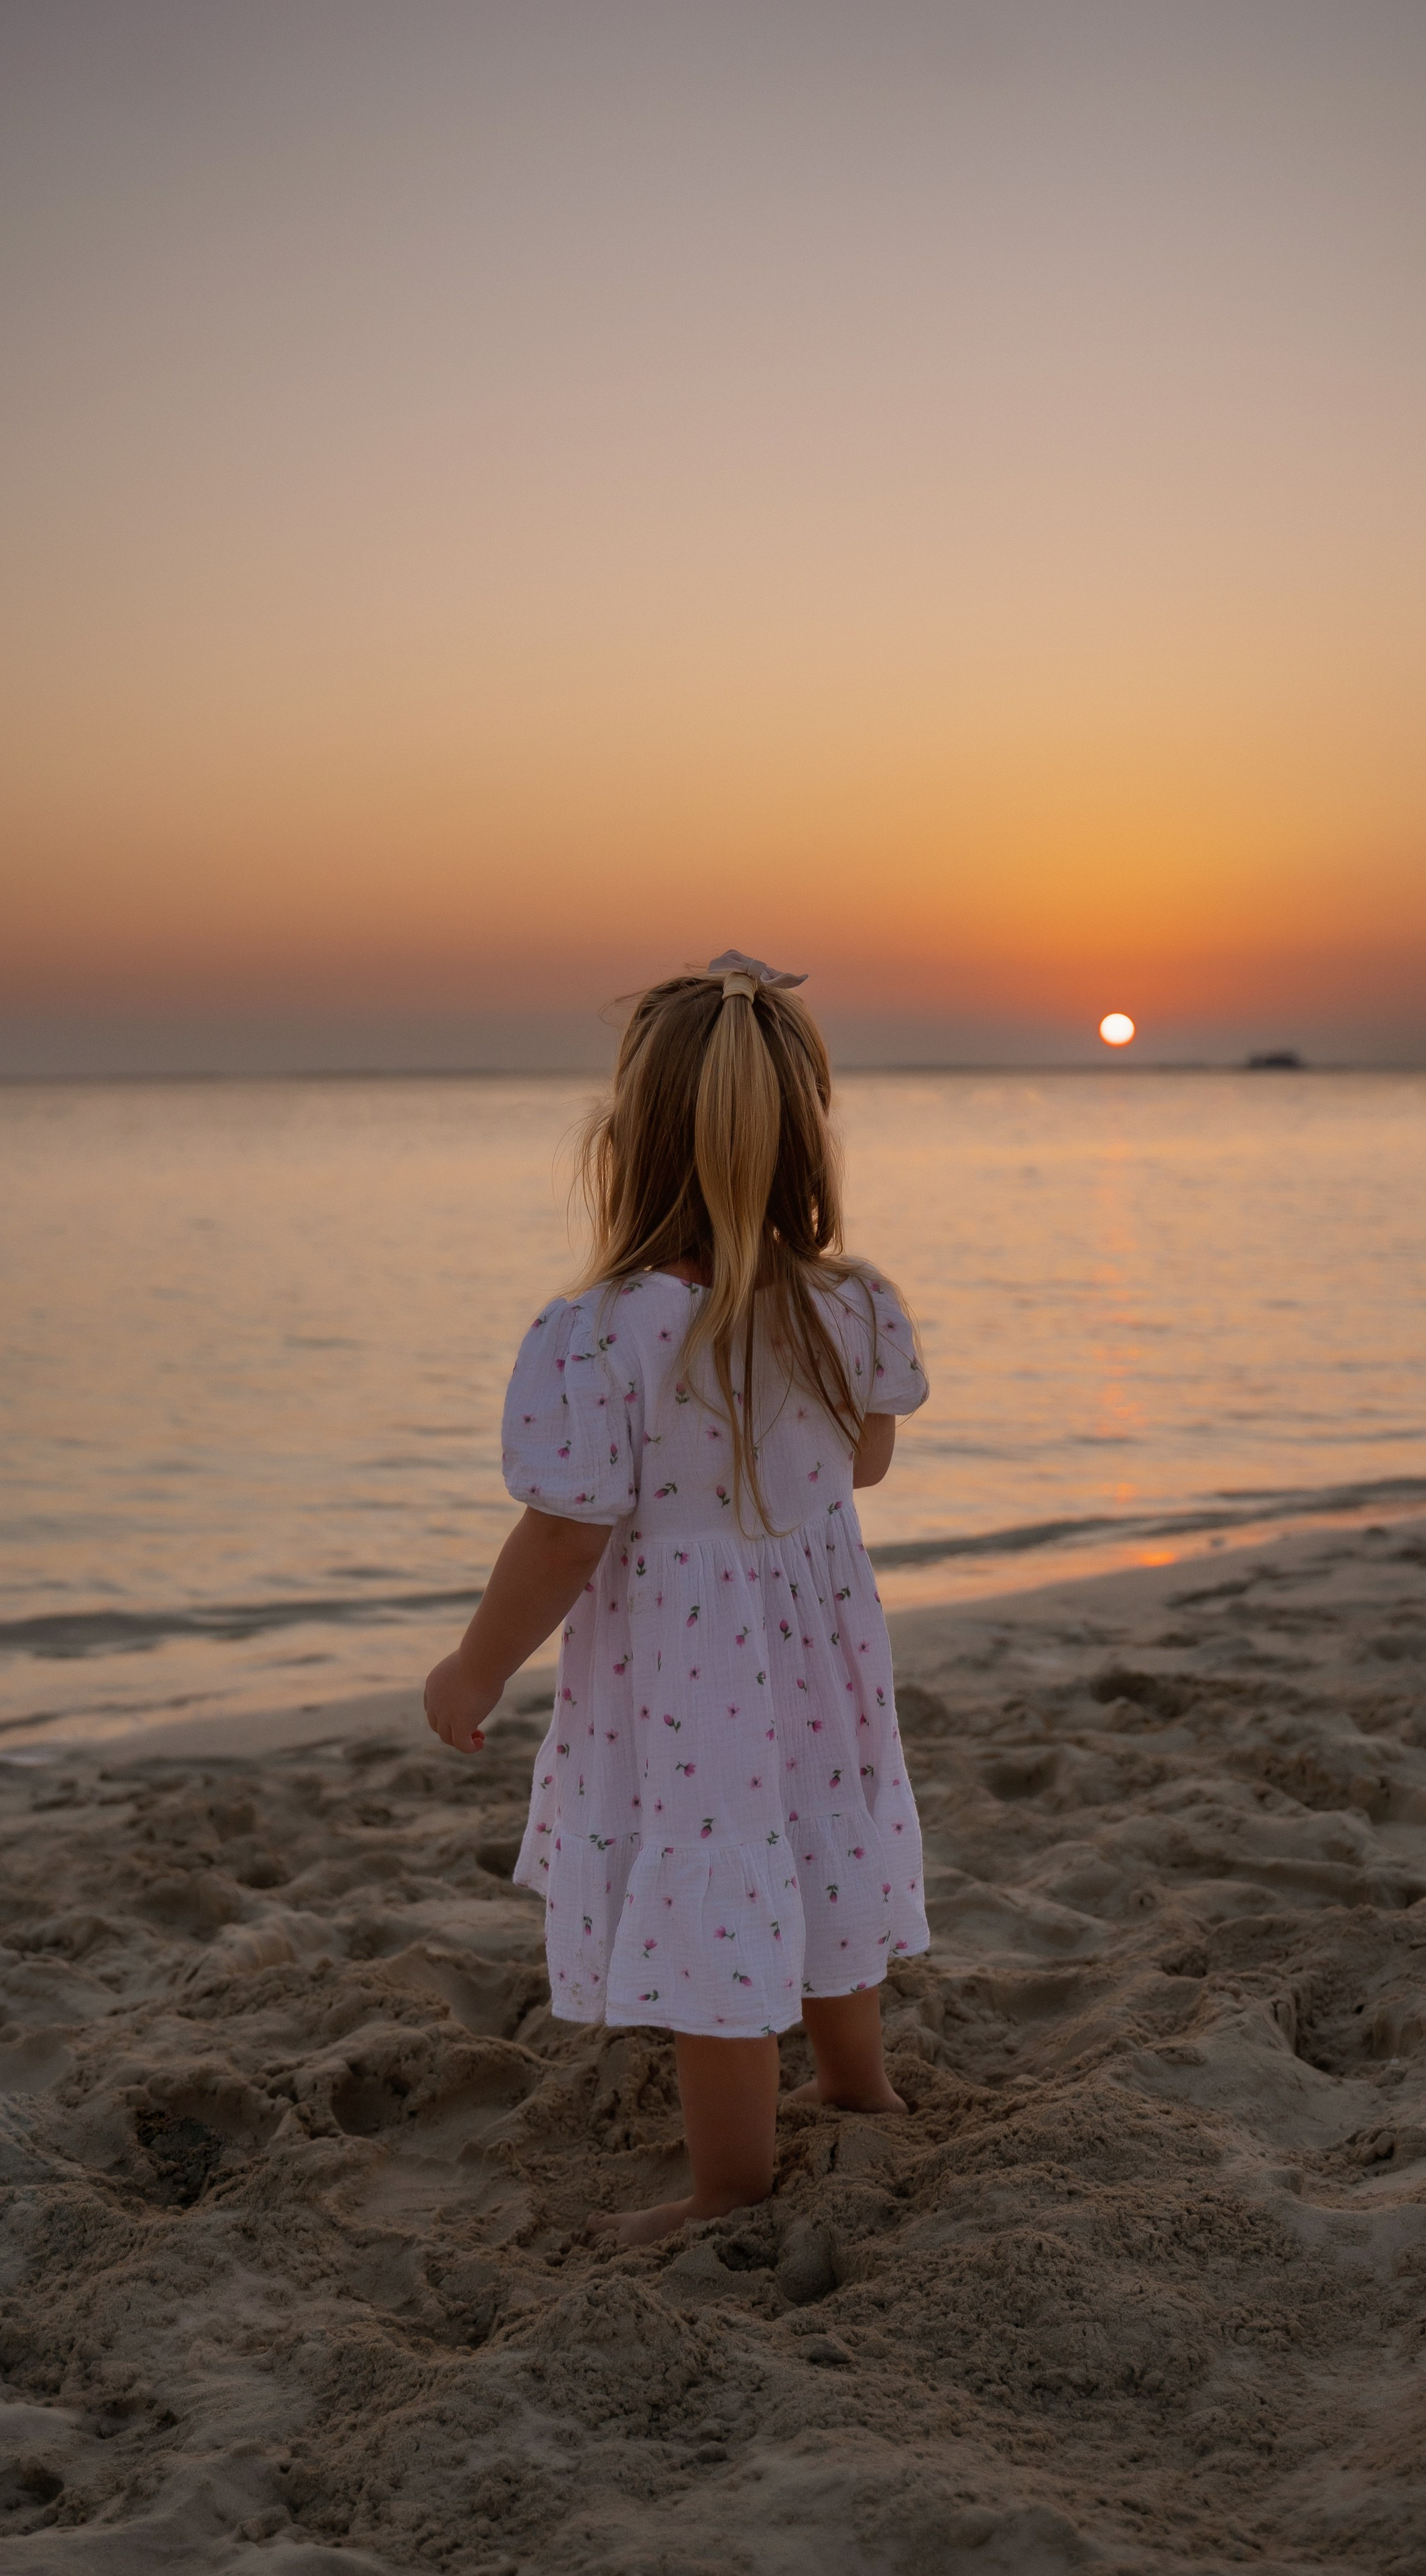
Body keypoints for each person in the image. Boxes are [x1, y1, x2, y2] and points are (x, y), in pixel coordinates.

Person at [423, 950, 930, 2243]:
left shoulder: (599, 1335)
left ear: (629, 1145)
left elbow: (563, 1538)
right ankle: (859, 2083)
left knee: (720, 1885)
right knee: (815, 1837)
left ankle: (728, 2187)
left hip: (692, 1671)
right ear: (805, 1138)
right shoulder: (851, 1304)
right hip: (817, 1651)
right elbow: (863, 1464)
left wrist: (475, 1667)